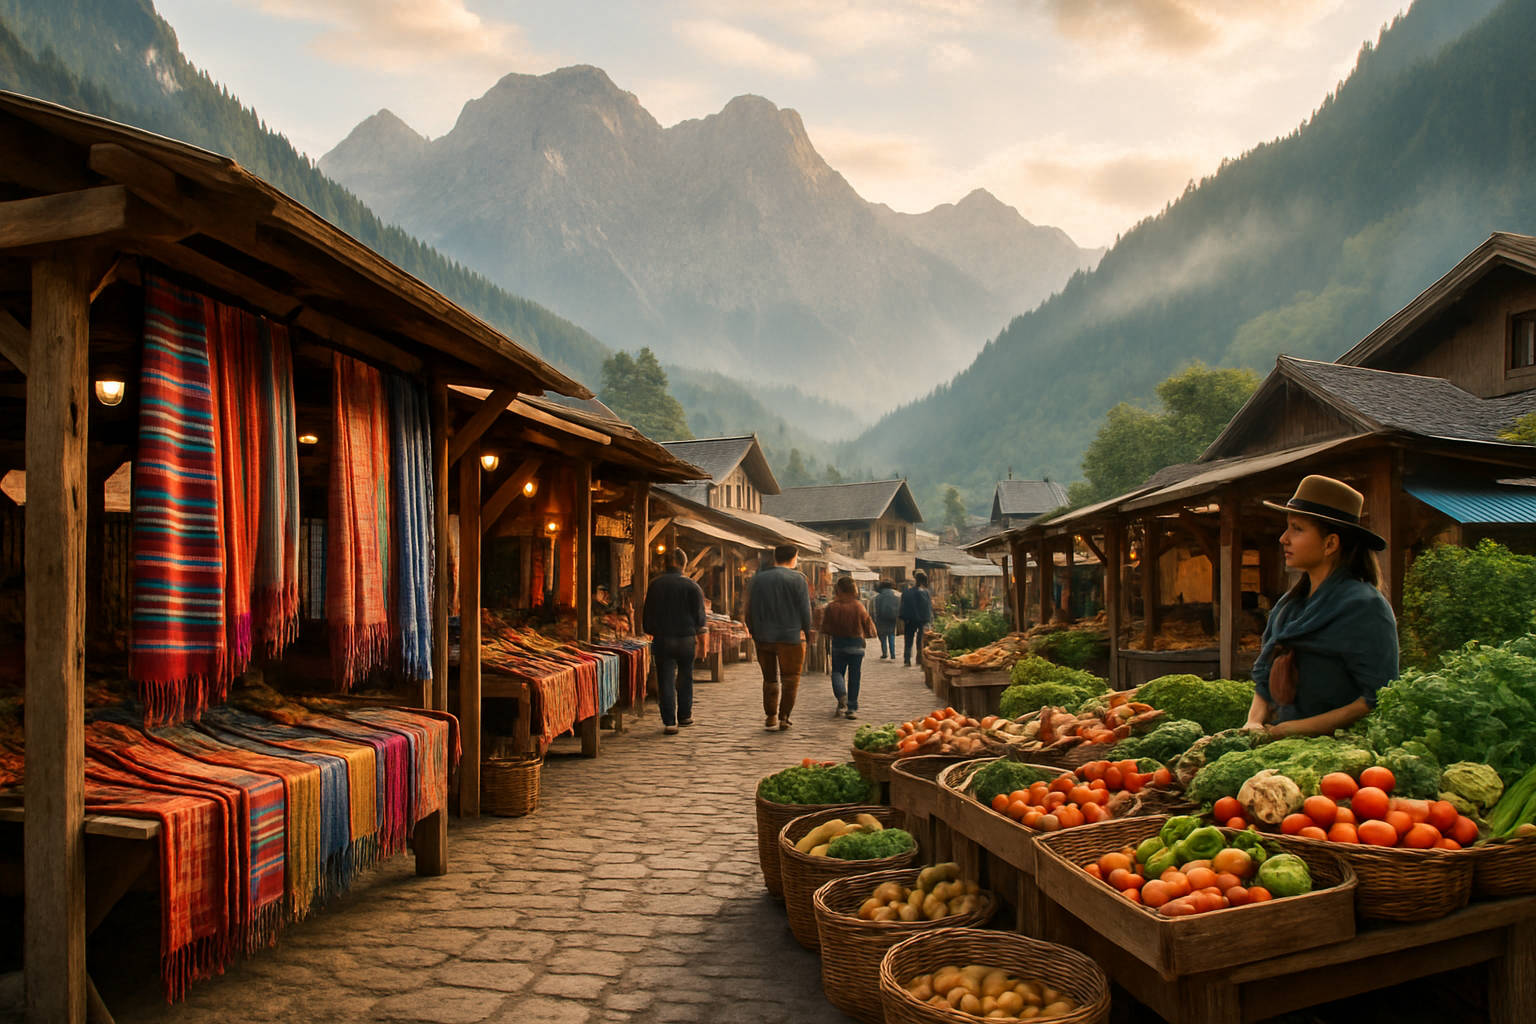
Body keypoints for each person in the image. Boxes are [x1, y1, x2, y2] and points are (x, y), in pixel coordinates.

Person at [1244, 475, 1398, 739]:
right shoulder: (1288, 606)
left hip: (1338, 751)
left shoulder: (1365, 607)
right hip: (1278, 741)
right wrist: (1253, 724)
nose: (1284, 538)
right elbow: (1264, 678)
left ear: (1330, 544)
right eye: (1287, 528)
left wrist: (1294, 730)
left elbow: (1376, 697)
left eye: (1297, 529)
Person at [746, 544, 813, 731]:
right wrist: (807, 632)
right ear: (794, 557)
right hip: (790, 637)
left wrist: (754, 632)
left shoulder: (758, 579)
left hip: (764, 638)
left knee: (769, 679)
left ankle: (770, 716)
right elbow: (805, 611)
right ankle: (784, 717)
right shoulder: (798, 579)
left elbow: (748, 610)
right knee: (790, 679)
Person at [641, 548, 706, 735]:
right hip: (686, 639)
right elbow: (700, 619)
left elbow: (647, 619)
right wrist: (702, 643)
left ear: (665, 564)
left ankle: (670, 721)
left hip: (663, 639)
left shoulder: (656, 585)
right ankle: (685, 715)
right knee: (686, 677)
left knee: (666, 679)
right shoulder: (692, 586)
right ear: (684, 564)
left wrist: (652, 630)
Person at [821, 576, 877, 718]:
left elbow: (825, 627)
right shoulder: (858, 606)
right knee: (855, 675)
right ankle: (851, 708)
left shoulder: (832, 606)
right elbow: (867, 624)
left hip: (839, 643)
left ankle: (841, 694)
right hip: (857, 645)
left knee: (837, 672)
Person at [899, 571, 934, 667]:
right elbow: (928, 607)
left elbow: (902, 607)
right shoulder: (925, 593)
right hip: (923, 620)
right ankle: (919, 658)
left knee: (908, 640)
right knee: (921, 640)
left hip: (910, 619)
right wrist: (929, 620)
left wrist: (903, 618)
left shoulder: (907, 593)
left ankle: (907, 659)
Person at [871, 580, 901, 659]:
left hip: (881, 619)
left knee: (883, 636)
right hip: (892, 618)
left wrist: (875, 620)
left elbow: (876, 610)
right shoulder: (897, 595)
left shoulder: (878, 597)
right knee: (891, 635)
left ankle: (884, 653)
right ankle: (893, 653)